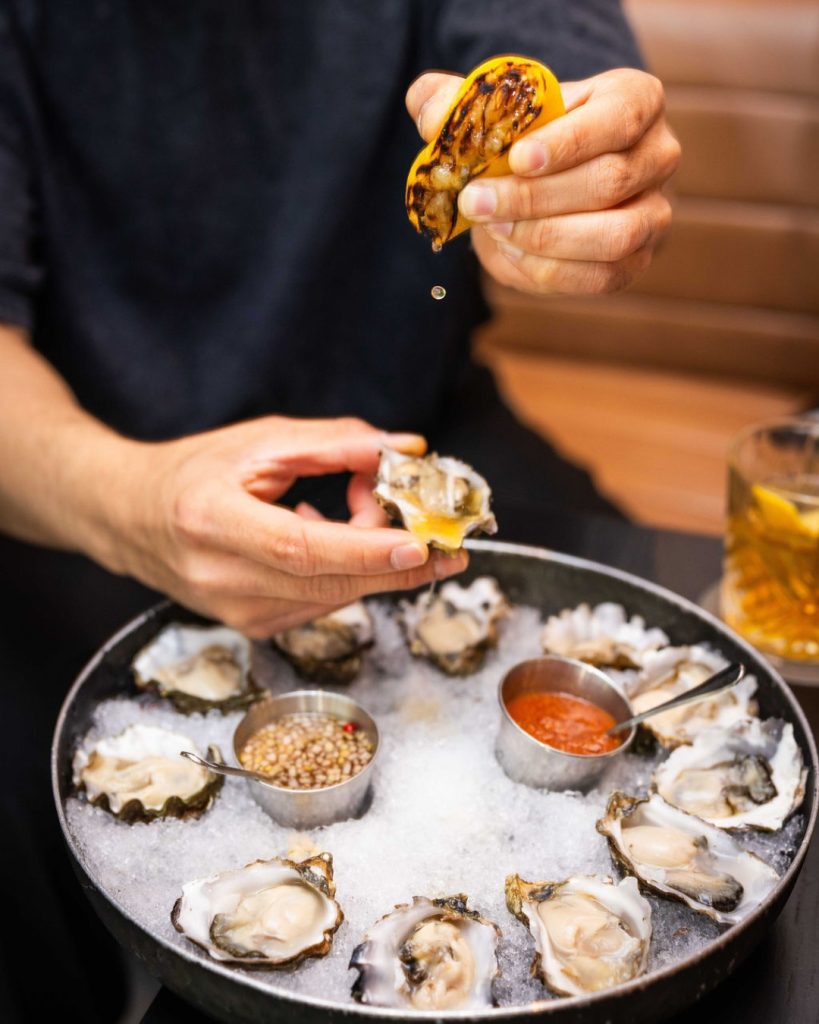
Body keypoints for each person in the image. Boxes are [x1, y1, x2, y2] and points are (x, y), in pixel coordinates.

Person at [0, 2, 680, 1019]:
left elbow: (555, 69)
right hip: (80, 467)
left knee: (652, 644)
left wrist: (569, 172)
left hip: (415, 433)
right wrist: (129, 501)